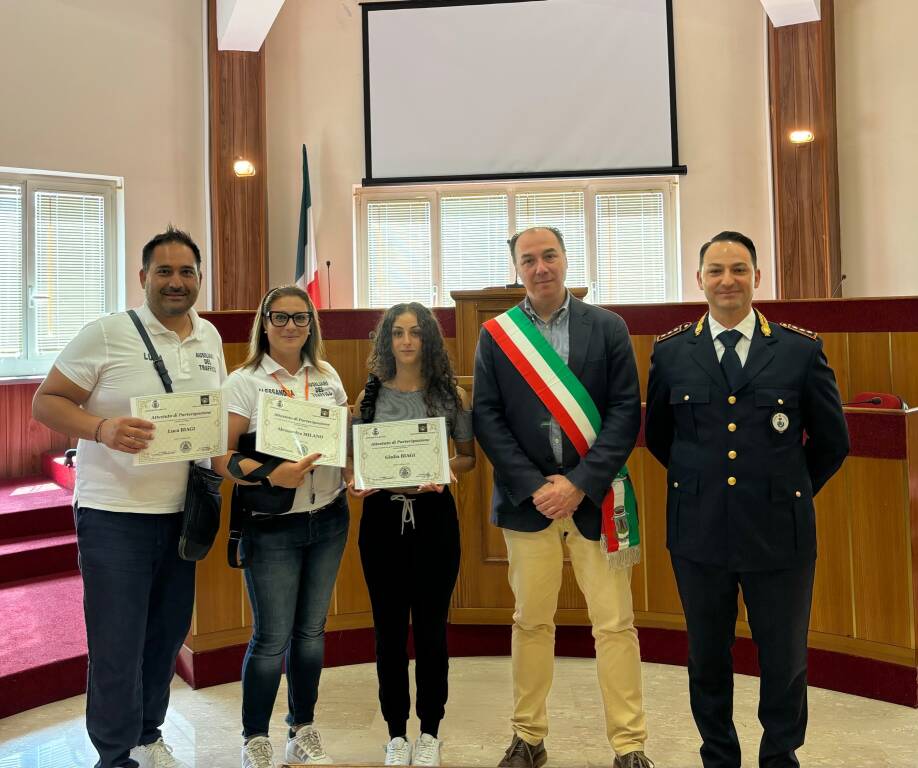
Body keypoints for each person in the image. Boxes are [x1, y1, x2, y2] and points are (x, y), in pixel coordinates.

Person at [644, 231, 849, 768]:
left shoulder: (801, 350)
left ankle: (779, 755)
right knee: (707, 657)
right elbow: (662, 438)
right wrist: (705, 484)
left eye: (739, 269)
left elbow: (833, 442)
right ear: (700, 281)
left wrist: (788, 491)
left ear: (757, 278)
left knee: (783, 660)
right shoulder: (670, 354)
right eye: (716, 270)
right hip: (699, 531)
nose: (727, 280)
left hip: (779, 532)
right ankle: (719, 755)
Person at [32, 226, 226, 768]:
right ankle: (114, 756)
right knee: (116, 648)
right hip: (114, 516)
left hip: (183, 514)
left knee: (164, 639)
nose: (175, 281)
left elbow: (210, 421)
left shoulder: (208, 338)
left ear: (199, 279)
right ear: (142, 278)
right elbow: (46, 403)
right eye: (163, 271)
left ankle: (147, 733)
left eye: (186, 271)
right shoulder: (107, 333)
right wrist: (102, 429)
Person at [472, 227, 653, 768]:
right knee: (531, 621)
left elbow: (626, 412)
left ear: (566, 259)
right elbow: (488, 417)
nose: (541, 266)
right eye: (529, 259)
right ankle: (528, 737)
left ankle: (629, 745)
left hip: (595, 496)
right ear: (517, 269)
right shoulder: (496, 336)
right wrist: (537, 487)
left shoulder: (609, 327)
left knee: (615, 623)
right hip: (529, 504)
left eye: (549, 255)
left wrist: (579, 482)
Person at [212, 286, 350, 768]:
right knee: (272, 638)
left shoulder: (328, 377)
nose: (290, 326)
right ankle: (255, 738)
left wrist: (356, 470)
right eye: (280, 317)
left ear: (311, 324)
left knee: (312, 633)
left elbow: (341, 442)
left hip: (330, 518)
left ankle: (302, 728)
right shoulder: (244, 383)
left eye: (300, 317)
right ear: (264, 323)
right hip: (272, 526)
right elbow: (220, 456)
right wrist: (272, 473)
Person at [351, 302, 476, 767]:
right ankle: (395, 734)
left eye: (416, 333)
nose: (407, 341)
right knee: (387, 633)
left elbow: (467, 457)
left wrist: (444, 469)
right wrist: (357, 479)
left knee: (430, 632)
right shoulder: (366, 398)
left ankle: (430, 732)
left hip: (435, 518)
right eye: (398, 333)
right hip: (381, 520)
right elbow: (355, 462)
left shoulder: (451, 397)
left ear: (429, 340)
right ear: (387, 340)